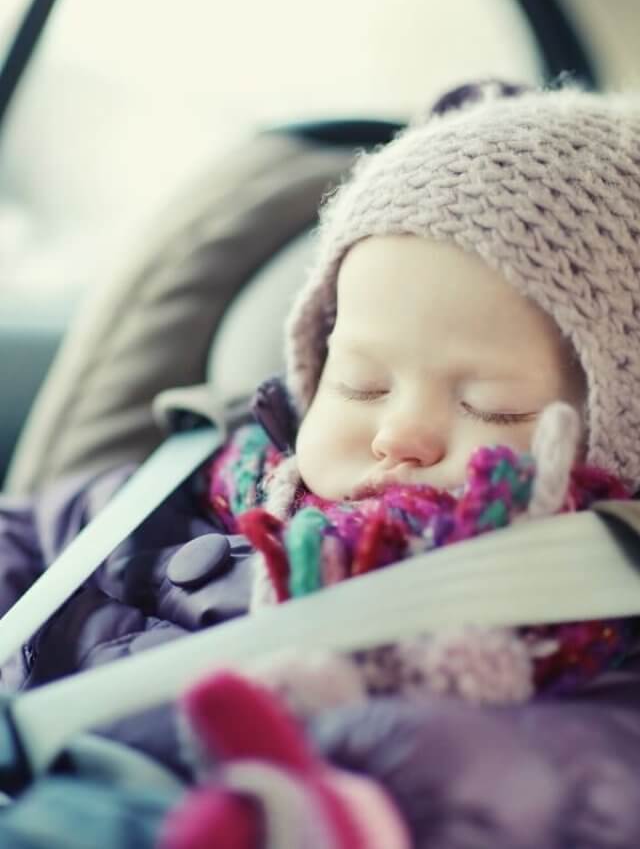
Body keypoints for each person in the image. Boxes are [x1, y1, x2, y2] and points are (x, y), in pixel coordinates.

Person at [0, 79, 640, 846]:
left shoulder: (594, 620)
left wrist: (341, 801)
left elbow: (579, 772)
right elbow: (33, 539)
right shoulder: (200, 484)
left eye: (495, 405)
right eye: (361, 382)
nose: (398, 432)